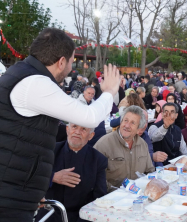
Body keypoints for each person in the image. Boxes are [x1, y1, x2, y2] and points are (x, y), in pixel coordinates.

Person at [0, 28, 120, 221]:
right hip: (9, 196)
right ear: (61, 61)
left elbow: (22, 137)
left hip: (16, 190)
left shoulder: (24, 75)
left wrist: (35, 188)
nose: (71, 68)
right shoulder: (35, 82)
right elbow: (88, 117)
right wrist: (109, 92)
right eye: (72, 62)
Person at [35, 123, 107, 222]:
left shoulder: (98, 160)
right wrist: (53, 177)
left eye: (83, 129)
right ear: (67, 129)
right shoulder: (50, 151)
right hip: (50, 213)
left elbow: (99, 198)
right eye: (74, 127)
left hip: (81, 216)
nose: (77, 132)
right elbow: (32, 177)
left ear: (91, 136)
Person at [95, 106, 155, 190]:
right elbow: (96, 177)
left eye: (132, 123)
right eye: (125, 120)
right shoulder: (103, 144)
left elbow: (150, 171)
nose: (127, 125)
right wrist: (117, 192)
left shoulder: (142, 144)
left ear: (139, 130)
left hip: (138, 195)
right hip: (111, 197)